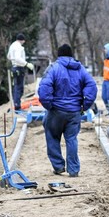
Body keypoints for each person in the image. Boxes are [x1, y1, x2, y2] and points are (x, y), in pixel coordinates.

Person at [38, 44, 98, 177]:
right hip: (74, 111)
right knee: (71, 139)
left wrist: (49, 105)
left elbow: (44, 88)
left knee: (52, 136)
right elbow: (92, 86)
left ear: (59, 55)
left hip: (56, 111)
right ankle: (74, 169)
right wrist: (85, 105)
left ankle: (58, 166)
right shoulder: (80, 69)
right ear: (71, 55)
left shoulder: (54, 68)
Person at [7, 33, 34, 110]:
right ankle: (17, 105)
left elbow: (8, 56)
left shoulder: (12, 46)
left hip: (14, 68)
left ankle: (16, 104)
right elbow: (18, 58)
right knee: (19, 88)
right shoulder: (19, 47)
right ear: (22, 40)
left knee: (16, 87)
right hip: (19, 68)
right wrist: (26, 64)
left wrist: (13, 61)